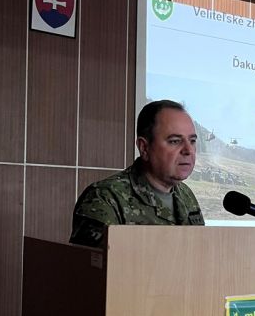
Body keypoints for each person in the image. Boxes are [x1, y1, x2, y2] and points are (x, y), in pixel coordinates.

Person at [70, 99, 204, 247]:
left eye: (192, 141)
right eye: (174, 141)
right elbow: (96, 260)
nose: (188, 150)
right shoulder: (104, 198)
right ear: (144, 148)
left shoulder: (186, 196)